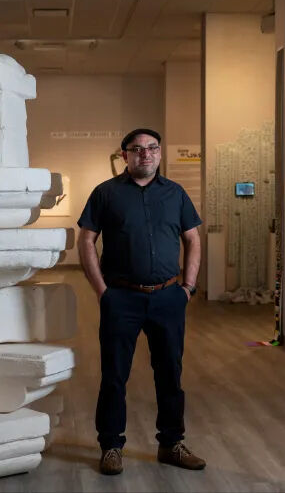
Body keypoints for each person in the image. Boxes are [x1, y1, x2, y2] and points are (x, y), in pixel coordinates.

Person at [77, 128, 205, 476]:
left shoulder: (175, 194)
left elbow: (192, 239)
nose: (145, 154)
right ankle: (112, 446)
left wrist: (188, 287)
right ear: (125, 156)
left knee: (170, 374)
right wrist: (103, 291)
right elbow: (86, 240)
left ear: (159, 154)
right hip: (121, 298)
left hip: (168, 297)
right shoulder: (105, 194)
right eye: (137, 149)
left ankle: (171, 444)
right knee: (114, 375)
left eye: (151, 148)